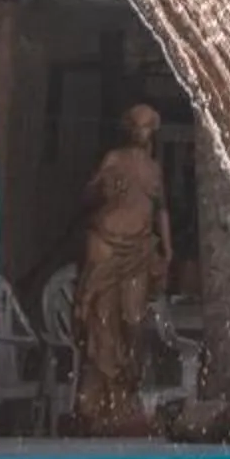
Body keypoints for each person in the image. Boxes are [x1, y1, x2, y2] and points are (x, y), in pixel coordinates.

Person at [72, 102, 172, 436]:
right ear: (130, 129)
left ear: (152, 132)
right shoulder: (113, 159)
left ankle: (125, 389)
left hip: (139, 250)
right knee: (102, 319)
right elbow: (88, 195)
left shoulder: (154, 169)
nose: (141, 132)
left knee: (133, 319)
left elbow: (162, 209)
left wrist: (168, 247)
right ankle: (98, 402)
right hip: (106, 243)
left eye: (147, 126)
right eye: (137, 125)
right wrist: (102, 190)